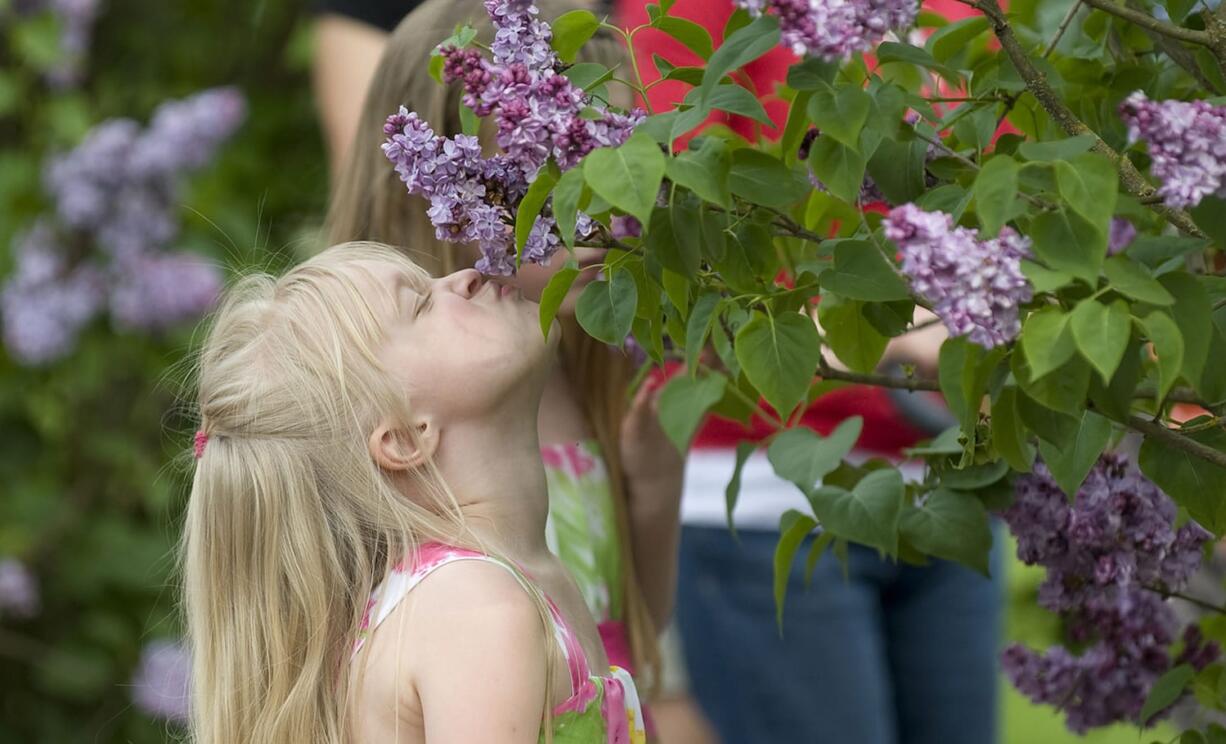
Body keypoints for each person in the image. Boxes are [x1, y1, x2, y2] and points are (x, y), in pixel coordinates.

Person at [323, 0, 683, 695]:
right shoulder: (396, 417)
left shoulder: (590, 373)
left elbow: (634, 624)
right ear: (433, 196)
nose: (610, 213)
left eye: (619, 168)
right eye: (561, 184)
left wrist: (655, 490)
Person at [182, 242, 648, 743]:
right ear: (404, 437)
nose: (466, 275)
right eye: (421, 304)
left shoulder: (493, 588)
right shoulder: (476, 612)